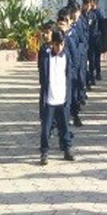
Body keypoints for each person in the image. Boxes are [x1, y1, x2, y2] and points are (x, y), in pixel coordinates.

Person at [38, 28, 74, 165]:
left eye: (61, 44)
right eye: (56, 44)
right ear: (52, 43)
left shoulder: (66, 56)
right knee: (46, 127)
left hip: (62, 97)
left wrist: (68, 97)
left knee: (64, 126)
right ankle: (44, 151)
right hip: (49, 98)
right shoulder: (46, 56)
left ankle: (67, 148)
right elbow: (42, 76)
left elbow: (69, 76)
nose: (59, 47)